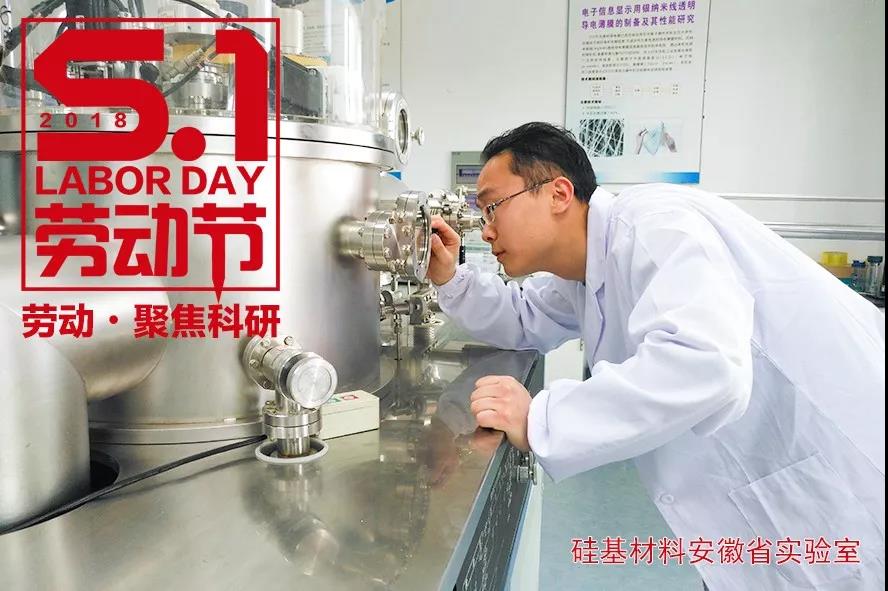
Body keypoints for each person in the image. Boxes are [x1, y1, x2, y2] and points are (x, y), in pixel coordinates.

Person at [427, 122, 885, 590]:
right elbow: (524, 317)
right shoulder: (584, 268)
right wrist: (449, 277)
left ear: (558, 193)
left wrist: (541, 419)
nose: (485, 230)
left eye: (492, 206)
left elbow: (705, 361)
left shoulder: (653, 225)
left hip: (839, 480)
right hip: (769, 508)